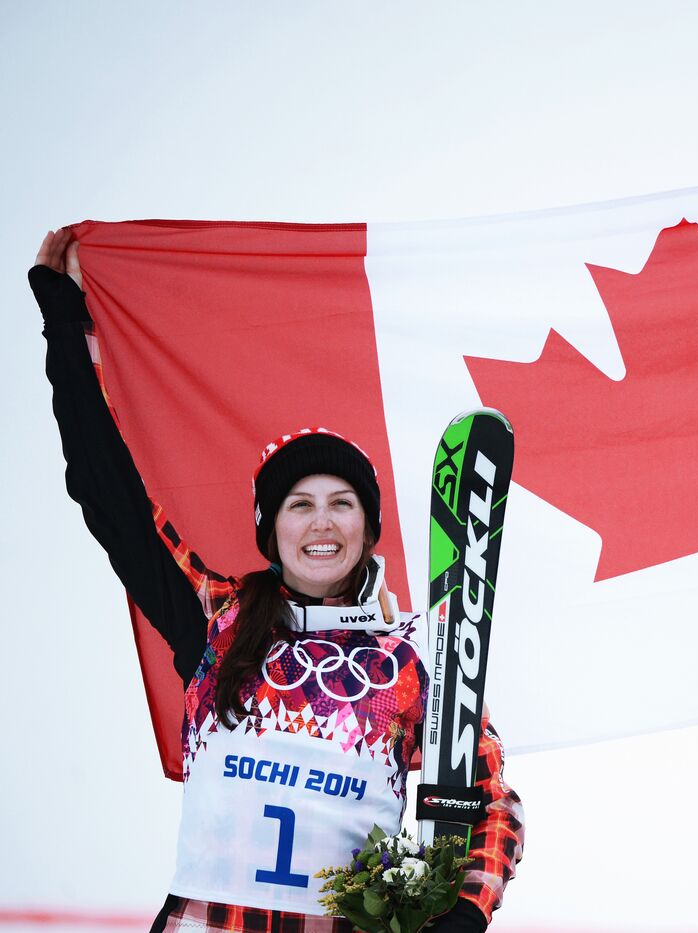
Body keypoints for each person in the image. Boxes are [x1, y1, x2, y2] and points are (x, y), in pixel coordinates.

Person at [31, 229, 523, 933]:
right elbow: (110, 494)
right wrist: (64, 322)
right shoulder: (218, 619)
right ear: (272, 530)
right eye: (300, 504)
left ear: (366, 527)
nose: (321, 524)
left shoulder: (410, 656)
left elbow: (490, 797)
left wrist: (460, 913)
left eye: (341, 504)